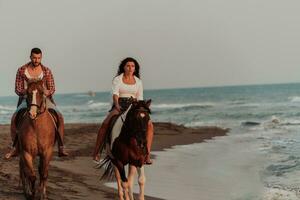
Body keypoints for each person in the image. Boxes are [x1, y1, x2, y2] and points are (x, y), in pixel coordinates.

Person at [4, 48, 68, 159]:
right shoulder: (21, 70)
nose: (36, 60)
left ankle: (61, 146)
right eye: (34, 57)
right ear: (30, 57)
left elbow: (52, 88)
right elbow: (17, 89)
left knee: (59, 116)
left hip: (44, 99)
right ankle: (15, 147)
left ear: (41, 58)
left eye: (38, 58)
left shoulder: (46, 71)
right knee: (15, 117)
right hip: (26, 99)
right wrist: (28, 92)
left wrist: (45, 92)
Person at [93, 57, 153, 164]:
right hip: (120, 104)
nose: (130, 68)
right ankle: (96, 152)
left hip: (134, 107)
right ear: (124, 67)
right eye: (128, 66)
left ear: (135, 68)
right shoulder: (118, 79)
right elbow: (115, 94)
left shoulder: (138, 81)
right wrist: (116, 105)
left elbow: (140, 98)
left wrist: (141, 108)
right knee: (105, 124)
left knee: (149, 125)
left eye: (132, 66)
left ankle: (147, 154)